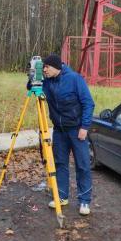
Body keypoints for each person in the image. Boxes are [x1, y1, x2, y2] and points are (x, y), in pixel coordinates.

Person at [42, 54, 95, 215]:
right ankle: (62, 196)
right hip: (59, 130)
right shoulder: (47, 81)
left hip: (77, 129)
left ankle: (84, 201)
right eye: (43, 67)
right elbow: (32, 89)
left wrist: (84, 126)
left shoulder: (74, 79)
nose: (44, 70)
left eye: (47, 67)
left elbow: (88, 103)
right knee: (60, 164)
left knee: (83, 165)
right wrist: (33, 78)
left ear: (56, 67)